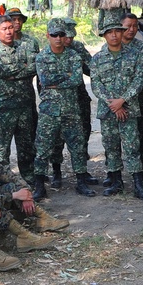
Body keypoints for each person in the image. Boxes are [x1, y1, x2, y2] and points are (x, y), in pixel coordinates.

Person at [89, 9, 143, 201]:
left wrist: (122, 101)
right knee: (111, 146)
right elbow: (96, 85)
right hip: (108, 112)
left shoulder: (134, 55)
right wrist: (114, 105)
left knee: (133, 147)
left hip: (129, 110)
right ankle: (116, 182)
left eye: (117, 31)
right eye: (109, 32)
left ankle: (138, 185)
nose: (114, 35)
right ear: (105, 35)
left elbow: (138, 81)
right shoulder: (98, 59)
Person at [32, 19, 96, 199]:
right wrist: (65, 76)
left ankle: (81, 182)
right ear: (48, 36)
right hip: (49, 112)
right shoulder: (42, 57)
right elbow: (45, 81)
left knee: (77, 147)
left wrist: (58, 79)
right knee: (43, 149)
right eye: (54, 35)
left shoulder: (74, 56)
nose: (58, 38)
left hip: (71, 110)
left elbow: (77, 80)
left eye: (61, 35)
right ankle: (39, 186)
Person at [0, 131, 69, 231]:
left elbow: (12, 177)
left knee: (13, 187)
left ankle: (45, 218)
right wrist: (14, 196)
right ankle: (23, 234)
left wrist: (25, 193)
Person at [0, 15, 37, 182]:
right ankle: (4, 184)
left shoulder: (23, 46)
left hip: (25, 105)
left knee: (27, 147)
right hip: (3, 108)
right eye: (4, 29)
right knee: (1, 150)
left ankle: (29, 182)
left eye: (10, 28)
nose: (9, 31)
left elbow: (34, 67)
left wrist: (11, 72)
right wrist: (21, 69)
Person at [51, 18, 96, 188]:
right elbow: (45, 81)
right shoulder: (51, 51)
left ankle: (82, 172)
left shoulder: (77, 48)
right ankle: (56, 171)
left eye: (71, 37)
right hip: (57, 101)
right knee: (56, 138)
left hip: (79, 98)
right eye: (65, 36)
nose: (68, 40)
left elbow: (90, 69)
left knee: (82, 134)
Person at [121, 12, 143, 176]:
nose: (132, 30)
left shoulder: (142, 47)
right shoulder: (114, 45)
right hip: (117, 100)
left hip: (137, 100)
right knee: (114, 138)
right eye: (128, 26)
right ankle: (114, 175)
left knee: (140, 133)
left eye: (135, 26)